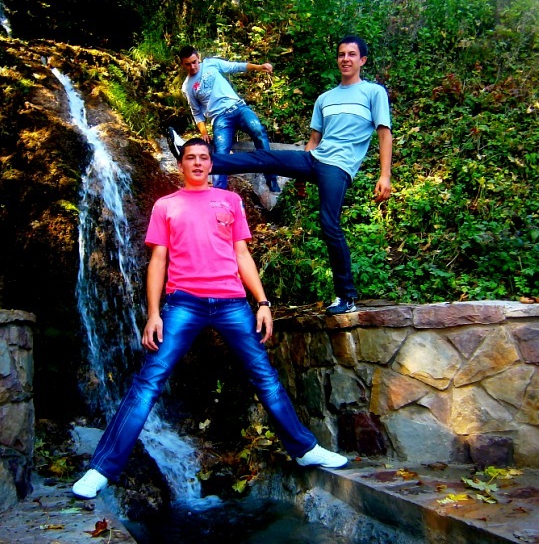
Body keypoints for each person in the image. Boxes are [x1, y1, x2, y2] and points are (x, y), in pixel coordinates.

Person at [72, 139, 348, 499]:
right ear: (182, 164)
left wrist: (263, 302)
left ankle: (304, 449)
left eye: (204, 157)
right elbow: (158, 261)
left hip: (232, 302)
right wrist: (153, 313)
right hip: (184, 303)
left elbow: (242, 254)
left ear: (211, 163)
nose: (198, 163)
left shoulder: (230, 200)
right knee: (149, 382)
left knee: (264, 376)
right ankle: (100, 469)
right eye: (191, 158)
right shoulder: (166, 205)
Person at [206, 35, 393, 316]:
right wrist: (302, 177)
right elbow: (314, 140)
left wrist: (385, 175)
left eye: (352, 54)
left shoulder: (373, 93)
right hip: (314, 159)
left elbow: (384, 134)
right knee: (265, 157)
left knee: (329, 224)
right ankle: (206, 162)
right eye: (341, 54)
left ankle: (346, 296)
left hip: (339, 167)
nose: (345, 59)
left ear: (362, 60)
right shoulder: (325, 99)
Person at [178, 45, 281, 193]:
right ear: (183, 64)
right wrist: (203, 131)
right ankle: (218, 192)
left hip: (238, 108)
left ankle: (271, 179)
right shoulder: (188, 87)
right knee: (221, 154)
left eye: (194, 62)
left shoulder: (211, 64)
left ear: (198, 57)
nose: (192, 67)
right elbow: (196, 112)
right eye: (188, 64)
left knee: (258, 130)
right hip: (220, 118)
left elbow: (234, 66)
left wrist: (259, 67)